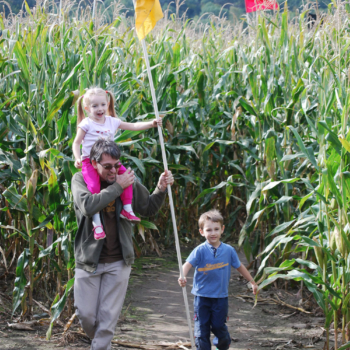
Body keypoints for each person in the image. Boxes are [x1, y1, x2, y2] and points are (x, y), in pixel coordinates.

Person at [72, 139, 174, 350]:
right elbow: (88, 206)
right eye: (107, 166)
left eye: (116, 165)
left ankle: (101, 346)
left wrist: (161, 187)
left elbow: (148, 207)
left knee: (108, 318)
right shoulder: (80, 179)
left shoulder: (125, 179)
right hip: (89, 261)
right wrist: (118, 187)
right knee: (86, 315)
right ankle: (102, 342)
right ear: (94, 163)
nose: (113, 170)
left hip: (119, 260)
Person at [72, 87, 162, 240]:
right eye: (94, 106)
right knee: (93, 187)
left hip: (109, 159)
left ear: (107, 104)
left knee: (126, 177)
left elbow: (132, 126)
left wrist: (151, 124)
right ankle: (97, 223)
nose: (99, 109)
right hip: (90, 161)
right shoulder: (86, 124)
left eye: (102, 104)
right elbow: (76, 142)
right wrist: (77, 157)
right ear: (87, 108)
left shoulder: (112, 121)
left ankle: (127, 209)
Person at [178, 209, 258, 350]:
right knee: (201, 330)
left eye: (216, 229)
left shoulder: (228, 250)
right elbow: (187, 264)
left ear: (222, 230)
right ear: (202, 232)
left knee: (218, 326)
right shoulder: (200, 250)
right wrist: (182, 276)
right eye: (209, 230)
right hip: (201, 297)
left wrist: (251, 281)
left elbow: (239, 266)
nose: (213, 233)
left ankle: (222, 344)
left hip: (220, 297)